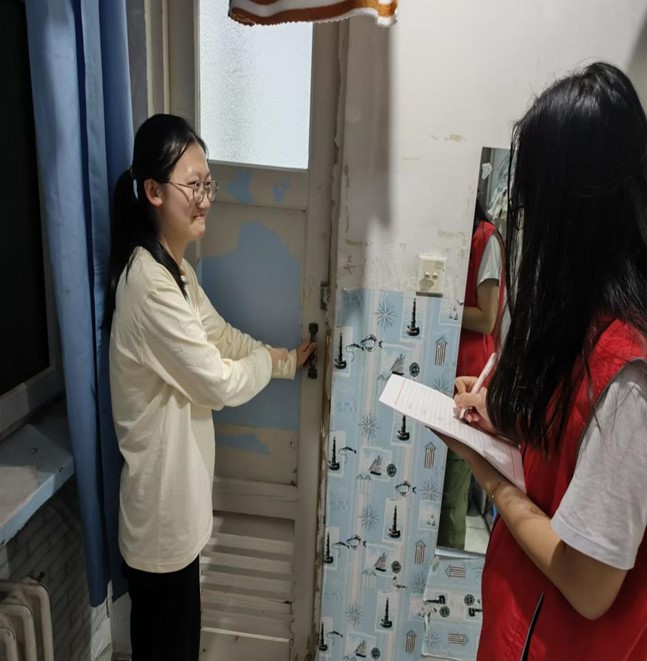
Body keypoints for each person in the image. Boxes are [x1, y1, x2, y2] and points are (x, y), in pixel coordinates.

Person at [439, 63, 647, 659]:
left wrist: (489, 474)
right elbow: (567, 452)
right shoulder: (585, 326)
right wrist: (503, 420)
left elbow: (589, 586)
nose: (527, 229)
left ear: (573, 216)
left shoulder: (629, 384)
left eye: (535, 208)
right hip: (516, 626)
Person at [106, 114, 315, 661]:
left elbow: (220, 336)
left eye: (207, 185)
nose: (204, 200)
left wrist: (284, 360)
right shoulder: (149, 286)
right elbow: (216, 383)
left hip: (179, 515)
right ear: (153, 191)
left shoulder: (175, 273)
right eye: (192, 186)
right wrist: (269, 364)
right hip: (161, 524)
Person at [437, 200, 504, 549]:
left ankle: (448, 569)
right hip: (447, 371)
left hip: (471, 380)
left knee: (451, 494)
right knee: (436, 486)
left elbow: (486, 318)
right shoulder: (456, 238)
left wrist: (440, 308)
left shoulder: (486, 239)